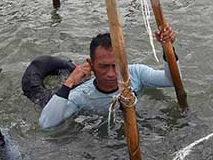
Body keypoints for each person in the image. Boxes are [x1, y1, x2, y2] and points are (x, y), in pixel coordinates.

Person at [38, 26, 179, 129]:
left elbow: (171, 80)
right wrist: (69, 82)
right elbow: (46, 124)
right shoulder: (82, 95)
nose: (111, 74)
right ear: (91, 64)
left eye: (116, 66)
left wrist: (168, 48)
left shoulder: (136, 73)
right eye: (104, 66)